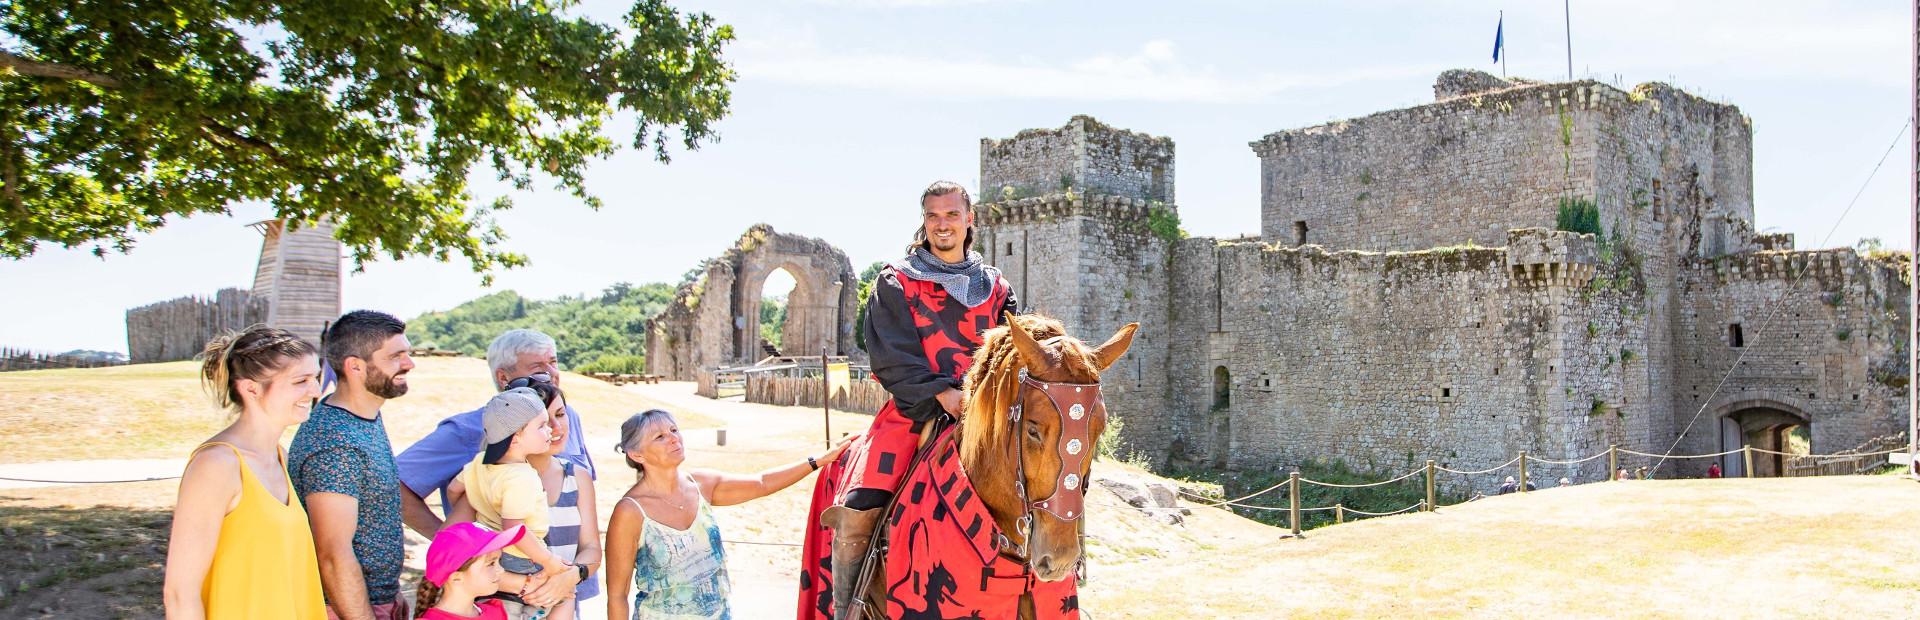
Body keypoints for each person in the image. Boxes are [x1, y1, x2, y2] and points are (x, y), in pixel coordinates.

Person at [821, 181, 1017, 611]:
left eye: (951, 215)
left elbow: (1013, 352)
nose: (942, 224)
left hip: (983, 418)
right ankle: (848, 608)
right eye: (933, 216)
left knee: (1047, 483)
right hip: (914, 415)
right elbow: (890, 355)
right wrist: (942, 395)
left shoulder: (997, 288)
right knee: (862, 501)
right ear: (923, 222)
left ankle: (1050, 581)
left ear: (970, 219)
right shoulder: (897, 282)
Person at [398, 329, 600, 613]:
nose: (555, 428)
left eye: (553, 362)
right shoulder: (484, 461)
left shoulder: (568, 428)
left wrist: (570, 576)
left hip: (562, 597)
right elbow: (411, 494)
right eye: (539, 367)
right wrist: (466, 548)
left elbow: (589, 542)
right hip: (500, 603)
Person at [605, 410, 851, 620]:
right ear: (637, 454)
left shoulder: (701, 485)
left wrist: (816, 461)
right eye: (660, 437)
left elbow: (761, 483)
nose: (673, 439)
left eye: (673, 430)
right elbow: (617, 595)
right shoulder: (630, 511)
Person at [163, 326, 327, 619]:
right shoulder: (217, 464)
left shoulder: (279, 456)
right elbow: (179, 594)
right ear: (251, 388)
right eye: (300, 380)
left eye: (315, 377)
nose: (315, 391)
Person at [290, 310, 415, 620]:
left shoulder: (366, 415)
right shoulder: (336, 441)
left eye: (407, 353)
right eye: (396, 356)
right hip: (343, 609)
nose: (409, 364)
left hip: (377, 600)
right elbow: (333, 554)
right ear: (355, 366)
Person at [447, 388, 576, 620]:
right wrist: (548, 560)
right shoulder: (521, 476)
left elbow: (453, 489)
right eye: (541, 426)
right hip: (521, 556)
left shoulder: (479, 462)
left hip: (490, 551)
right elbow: (514, 528)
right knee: (560, 595)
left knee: (501, 605)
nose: (550, 430)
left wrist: (481, 513)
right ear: (515, 437)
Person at [414, 523, 526, 620]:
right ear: (456, 578)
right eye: (491, 563)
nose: (501, 570)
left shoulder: (495, 612)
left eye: (499, 561)